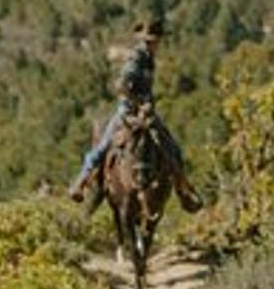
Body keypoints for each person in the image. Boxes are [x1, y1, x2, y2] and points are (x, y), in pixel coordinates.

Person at [68, 15, 203, 210]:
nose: (157, 45)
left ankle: (183, 191)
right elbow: (122, 85)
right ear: (151, 41)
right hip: (129, 111)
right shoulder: (137, 58)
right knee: (104, 145)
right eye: (155, 41)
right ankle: (80, 183)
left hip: (146, 113)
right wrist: (139, 102)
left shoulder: (148, 59)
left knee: (172, 147)